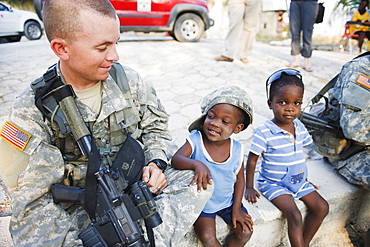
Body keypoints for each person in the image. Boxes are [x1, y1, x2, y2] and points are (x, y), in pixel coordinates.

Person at [0, 0, 212, 246]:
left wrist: (156, 162)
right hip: (76, 211)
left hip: (132, 191)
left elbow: (157, 127)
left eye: (115, 43)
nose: (114, 56)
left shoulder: (126, 80)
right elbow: (32, 205)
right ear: (61, 48)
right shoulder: (30, 109)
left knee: (199, 182)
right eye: (102, 47)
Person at [244, 69, 329, 247]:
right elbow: (252, 161)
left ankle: (303, 243)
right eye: (282, 102)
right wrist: (249, 187)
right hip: (273, 183)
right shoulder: (264, 132)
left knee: (322, 207)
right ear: (270, 103)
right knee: (295, 215)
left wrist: (304, 179)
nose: (290, 108)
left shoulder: (299, 126)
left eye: (296, 103)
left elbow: (297, 155)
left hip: (298, 181)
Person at [171, 86, 254, 247]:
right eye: (211, 116)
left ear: (237, 128)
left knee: (245, 231)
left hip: (228, 202)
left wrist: (236, 207)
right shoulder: (196, 139)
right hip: (203, 204)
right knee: (208, 237)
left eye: (225, 121)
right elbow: (176, 159)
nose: (215, 124)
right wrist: (196, 164)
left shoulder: (237, 149)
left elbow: (239, 180)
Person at [289, 0, 318, 72]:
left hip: (310, 2)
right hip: (295, 2)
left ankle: (306, 63)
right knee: (294, 32)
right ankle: (296, 61)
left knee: (307, 33)